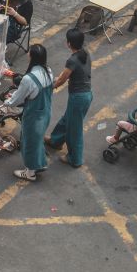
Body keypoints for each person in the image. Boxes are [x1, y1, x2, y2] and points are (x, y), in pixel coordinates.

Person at [4, 43, 53, 182]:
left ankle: (30, 172)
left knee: (29, 143)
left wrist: (7, 102)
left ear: (32, 56)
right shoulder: (48, 70)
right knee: (37, 140)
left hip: (34, 116)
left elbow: (17, 99)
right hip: (46, 111)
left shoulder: (28, 79)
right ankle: (39, 164)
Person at [44, 28, 92, 168]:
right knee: (67, 120)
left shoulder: (72, 60)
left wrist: (49, 87)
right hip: (86, 95)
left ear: (69, 43)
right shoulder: (85, 54)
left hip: (78, 98)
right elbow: (66, 74)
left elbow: (61, 80)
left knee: (74, 129)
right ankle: (55, 141)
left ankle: (75, 159)